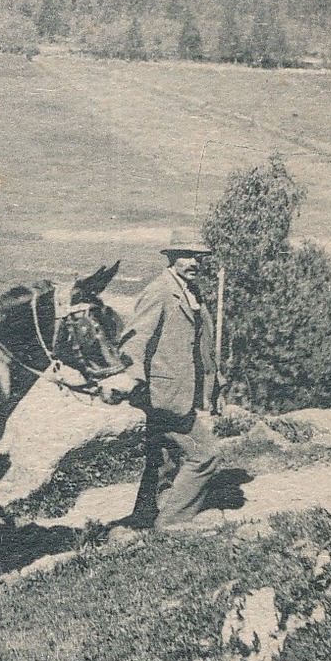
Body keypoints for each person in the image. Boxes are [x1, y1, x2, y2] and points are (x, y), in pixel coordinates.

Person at [99, 227, 223, 529]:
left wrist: (214, 385)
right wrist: (129, 374)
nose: (193, 262)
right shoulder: (160, 290)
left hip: (179, 390)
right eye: (186, 256)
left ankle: (146, 517)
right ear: (171, 258)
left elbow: (201, 345)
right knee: (206, 455)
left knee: (163, 459)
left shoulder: (192, 292)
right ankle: (172, 523)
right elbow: (136, 336)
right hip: (162, 394)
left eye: (198, 257)